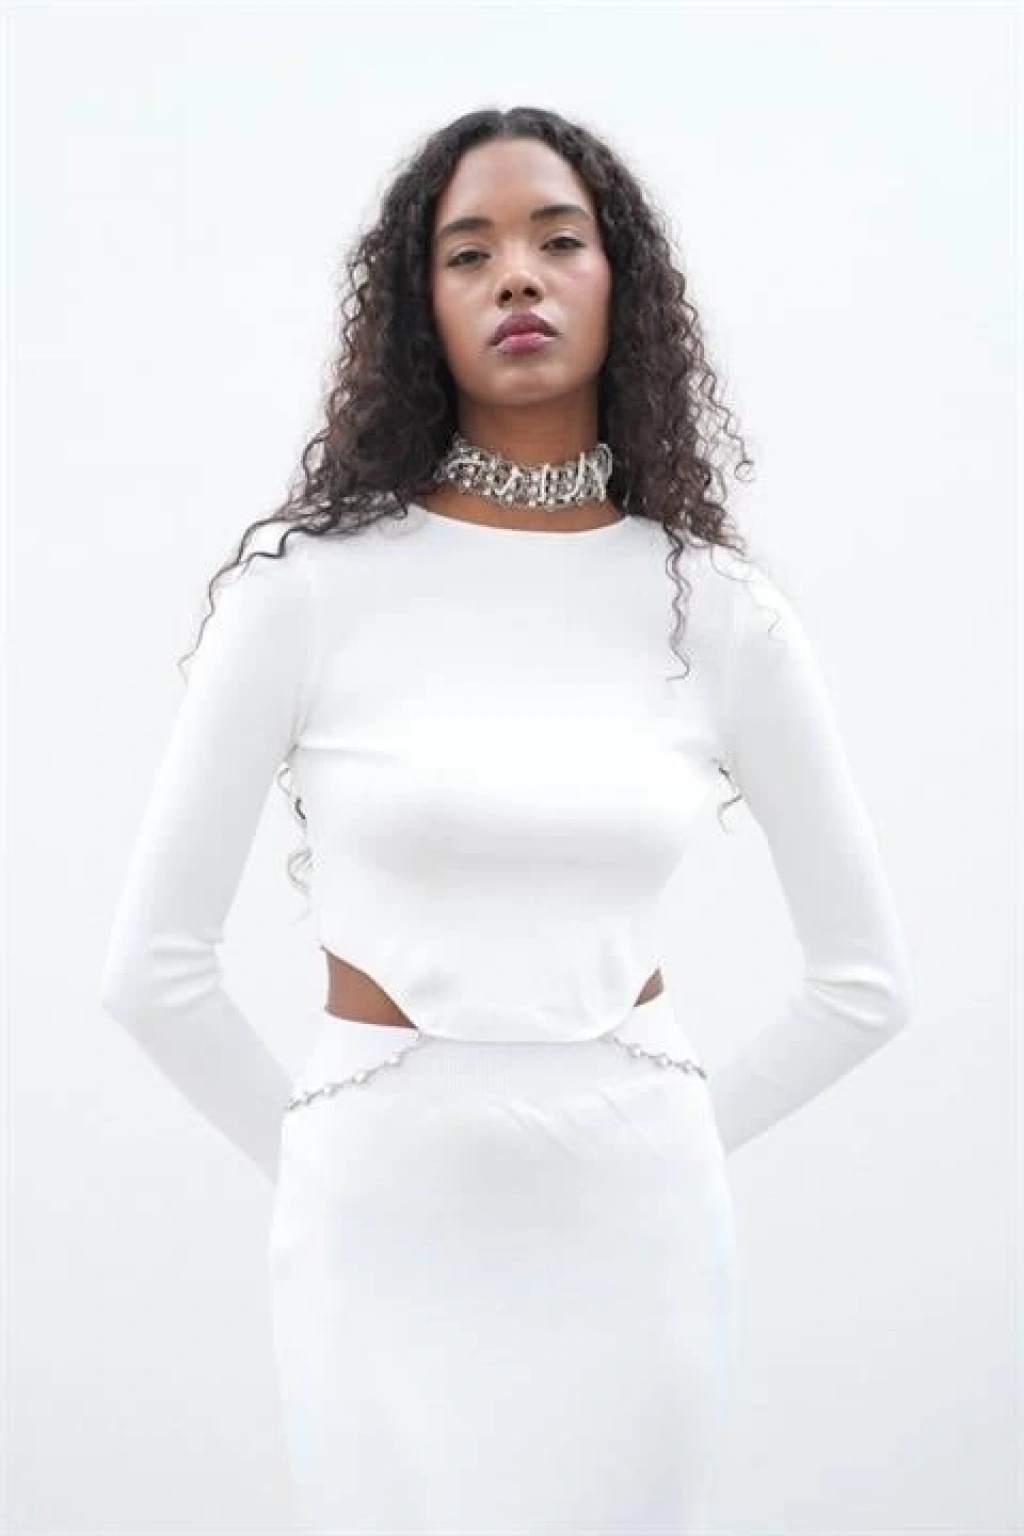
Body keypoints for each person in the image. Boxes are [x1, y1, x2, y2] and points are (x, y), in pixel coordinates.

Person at [99, 107, 914, 1536]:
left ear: (620, 282)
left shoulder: (720, 610)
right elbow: (152, 974)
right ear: (419, 308)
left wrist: (664, 1142)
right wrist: (333, 1168)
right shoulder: (305, 595)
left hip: (638, 1232)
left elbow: (867, 985)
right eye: (468, 252)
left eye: (557, 240)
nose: (517, 276)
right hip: (377, 1224)